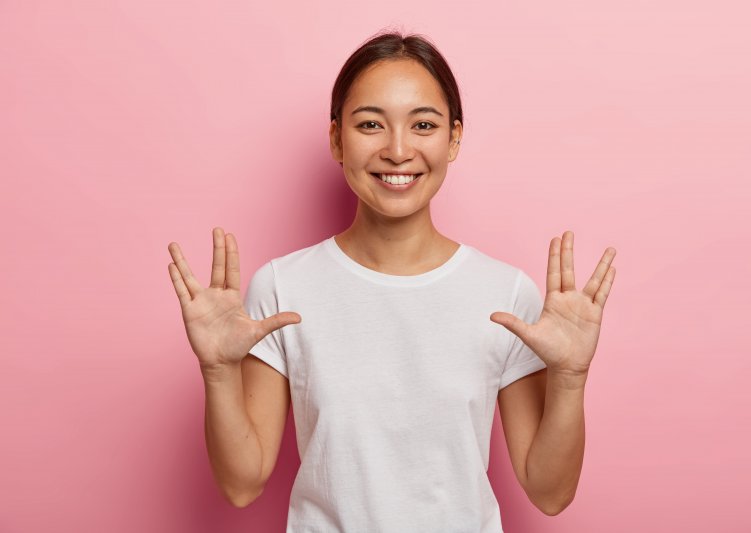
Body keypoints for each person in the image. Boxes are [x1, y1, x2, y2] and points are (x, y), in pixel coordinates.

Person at [167, 30, 616, 532]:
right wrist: (217, 371)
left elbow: (550, 492)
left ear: (455, 138)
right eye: (370, 125)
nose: (398, 150)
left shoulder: (506, 295)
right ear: (337, 138)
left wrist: (571, 378)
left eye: (423, 124)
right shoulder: (281, 288)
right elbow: (241, 484)